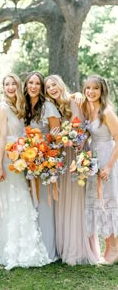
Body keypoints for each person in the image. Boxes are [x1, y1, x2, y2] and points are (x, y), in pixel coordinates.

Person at [0, 73, 51, 270]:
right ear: (3, 87)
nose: (11, 87)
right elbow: (2, 137)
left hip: (22, 155)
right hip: (8, 157)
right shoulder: (3, 108)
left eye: (14, 84)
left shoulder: (20, 107)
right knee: (11, 199)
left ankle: (25, 246)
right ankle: (10, 247)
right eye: (7, 84)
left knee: (22, 197)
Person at [44, 74, 98, 265]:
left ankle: (78, 249)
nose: (52, 88)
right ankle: (64, 247)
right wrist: (54, 139)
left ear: (60, 84)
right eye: (48, 87)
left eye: (54, 84)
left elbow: (81, 131)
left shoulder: (75, 101)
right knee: (64, 201)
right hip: (64, 157)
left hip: (77, 156)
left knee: (77, 201)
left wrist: (66, 139)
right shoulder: (54, 108)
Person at [24, 71, 61, 261]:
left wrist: (41, 149)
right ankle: (35, 248)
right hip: (30, 163)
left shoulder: (48, 107)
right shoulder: (25, 107)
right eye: (30, 83)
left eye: (37, 83)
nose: (33, 86)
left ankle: (48, 250)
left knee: (45, 206)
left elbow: (57, 135)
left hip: (46, 163)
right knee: (34, 205)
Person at [82, 75, 118, 264]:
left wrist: (109, 166)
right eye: (88, 88)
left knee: (108, 202)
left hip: (107, 156)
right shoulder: (89, 109)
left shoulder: (107, 112)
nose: (91, 92)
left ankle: (113, 249)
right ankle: (109, 247)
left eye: (95, 88)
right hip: (93, 158)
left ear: (102, 90)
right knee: (99, 203)